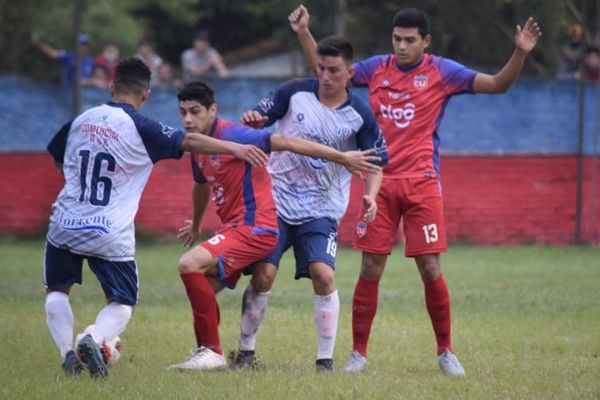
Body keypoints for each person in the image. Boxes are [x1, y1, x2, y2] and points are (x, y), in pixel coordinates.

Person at [288, 5, 541, 376]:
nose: (402, 46)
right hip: (379, 183)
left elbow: (498, 84)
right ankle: (358, 354)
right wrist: (304, 33)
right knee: (371, 265)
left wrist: (519, 51)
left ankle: (446, 352)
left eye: (410, 40)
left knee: (429, 266)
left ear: (426, 41)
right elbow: (329, 74)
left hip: (423, 184)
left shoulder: (443, 71)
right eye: (397, 39)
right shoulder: (377, 68)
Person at [43, 57, 271, 379]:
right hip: (109, 230)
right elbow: (189, 142)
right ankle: (93, 338)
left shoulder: (82, 119)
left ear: (110, 86)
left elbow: (56, 154)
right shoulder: (143, 127)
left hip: (65, 222)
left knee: (56, 290)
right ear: (146, 94)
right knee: (121, 303)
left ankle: (67, 355)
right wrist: (235, 148)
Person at [167, 81, 382, 371]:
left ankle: (216, 352)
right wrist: (195, 223)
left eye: (195, 112)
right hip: (239, 228)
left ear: (212, 110)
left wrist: (341, 156)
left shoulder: (235, 134)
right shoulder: (199, 146)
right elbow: (201, 184)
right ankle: (221, 352)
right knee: (204, 287)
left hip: (256, 228)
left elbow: (288, 142)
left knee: (189, 264)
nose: (188, 120)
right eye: (183, 113)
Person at [228, 36, 388, 373]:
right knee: (263, 274)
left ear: (350, 73)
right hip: (277, 202)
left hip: (322, 209)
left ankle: (324, 361)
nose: (325, 76)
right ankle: (245, 354)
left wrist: (371, 196)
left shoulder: (359, 114)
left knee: (323, 275)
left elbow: (375, 163)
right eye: (321, 68)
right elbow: (260, 117)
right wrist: (254, 118)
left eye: (333, 70)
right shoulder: (294, 92)